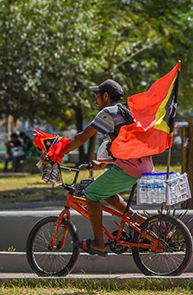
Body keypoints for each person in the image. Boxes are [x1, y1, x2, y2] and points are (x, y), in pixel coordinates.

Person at [43, 78, 153, 256]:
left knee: (91, 195)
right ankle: (142, 222)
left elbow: (81, 137)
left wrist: (57, 153)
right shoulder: (126, 111)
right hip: (144, 165)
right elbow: (124, 144)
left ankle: (98, 243)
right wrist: (102, 163)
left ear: (106, 96)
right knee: (108, 195)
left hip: (130, 168)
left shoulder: (108, 112)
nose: (95, 100)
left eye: (97, 96)